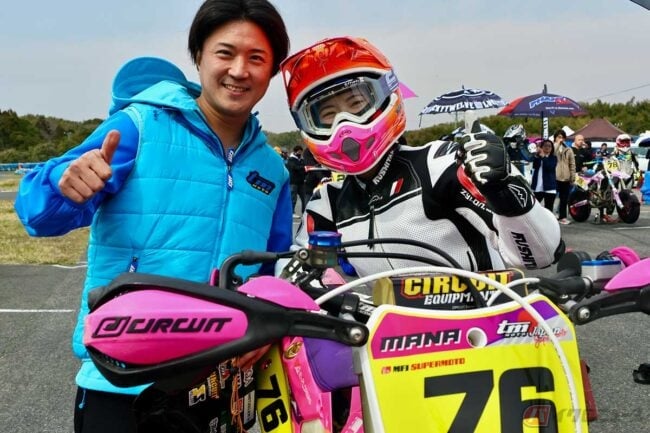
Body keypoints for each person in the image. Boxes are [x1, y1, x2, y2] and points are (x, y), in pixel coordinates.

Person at [14, 1, 292, 432]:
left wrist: (270, 315)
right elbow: (38, 214)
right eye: (225, 53)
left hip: (222, 388)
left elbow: (275, 268)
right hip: (122, 381)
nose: (239, 70)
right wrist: (60, 186)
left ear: (271, 71)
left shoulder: (272, 170)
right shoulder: (139, 126)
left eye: (256, 58)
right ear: (198, 56)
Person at [280, 36, 563, 278]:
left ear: (386, 95)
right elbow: (294, 273)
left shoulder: (440, 163)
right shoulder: (327, 202)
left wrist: (504, 191)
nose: (345, 125)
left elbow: (540, 255)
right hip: (384, 325)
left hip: (484, 319)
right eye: (328, 115)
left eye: (356, 104)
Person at [553, 129, 576, 225]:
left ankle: (562, 217)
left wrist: (572, 177)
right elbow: (552, 153)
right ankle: (551, 215)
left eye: (562, 137)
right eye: (559, 137)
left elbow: (572, 164)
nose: (561, 139)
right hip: (555, 177)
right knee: (552, 198)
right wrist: (557, 144)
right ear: (555, 138)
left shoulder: (568, 149)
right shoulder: (552, 147)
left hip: (566, 178)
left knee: (564, 199)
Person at [531, 139, 558, 212]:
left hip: (550, 187)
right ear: (542, 147)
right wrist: (537, 155)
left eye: (549, 146)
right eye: (545, 145)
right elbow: (534, 166)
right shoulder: (538, 157)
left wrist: (543, 157)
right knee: (533, 207)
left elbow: (549, 167)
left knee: (548, 209)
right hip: (537, 187)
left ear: (552, 148)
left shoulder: (553, 158)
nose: (547, 147)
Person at [286, 144, 307, 215]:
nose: (300, 153)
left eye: (301, 152)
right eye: (299, 152)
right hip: (293, 182)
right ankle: (291, 212)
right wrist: (303, 167)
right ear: (295, 152)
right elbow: (294, 167)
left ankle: (304, 212)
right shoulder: (291, 160)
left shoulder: (302, 160)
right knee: (293, 198)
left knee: (304, 198)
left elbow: (304, 168)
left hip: (301, 182)